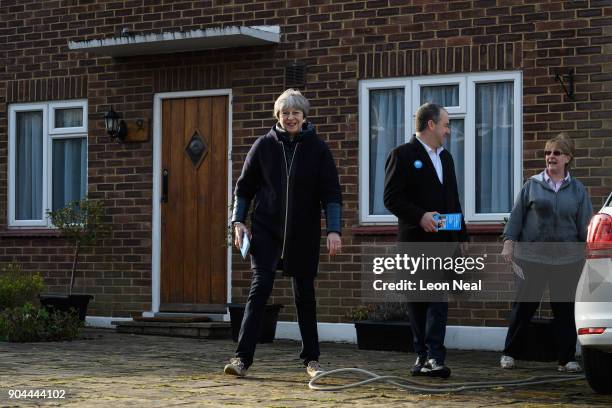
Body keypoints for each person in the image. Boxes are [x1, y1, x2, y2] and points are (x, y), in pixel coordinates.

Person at [224, 89, 342, 378]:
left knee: (305, 295)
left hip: (304, 233)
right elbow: (243, 188)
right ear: (278, 116)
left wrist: (334, 230)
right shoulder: (263, 146)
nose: (290, 118)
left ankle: (312, 361)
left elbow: (331, 194)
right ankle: (241, 360)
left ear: (304, 116)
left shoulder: (318, 149)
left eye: (295, 113)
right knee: (259, 290)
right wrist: (237, 220)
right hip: (266, 231)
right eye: (285, 113)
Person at [383, 102, 468, 378]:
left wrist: (462, 235)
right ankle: (422, 356)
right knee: (418, 301)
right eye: (445, 124)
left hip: (444, 243)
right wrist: (420, 216)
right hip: (414, 241)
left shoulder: (447, 158)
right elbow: (391, 198)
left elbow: (452, 199)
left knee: (438, 299)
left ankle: (434, 357)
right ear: (431, 124)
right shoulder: (402, 154)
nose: (448, 130)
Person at [500, 133, 592, 372]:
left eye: (556, 153)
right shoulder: (532, 185)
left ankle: (566, 359)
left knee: (564, 309)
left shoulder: (578, 190)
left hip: (568, 260)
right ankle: (509, 352)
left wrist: (591, 252)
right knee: (524, 307)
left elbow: (585, 225)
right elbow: (517, 216)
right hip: (532, 257)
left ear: (568, 158)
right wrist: (509, 242)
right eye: (547, 153)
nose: (551, 157)